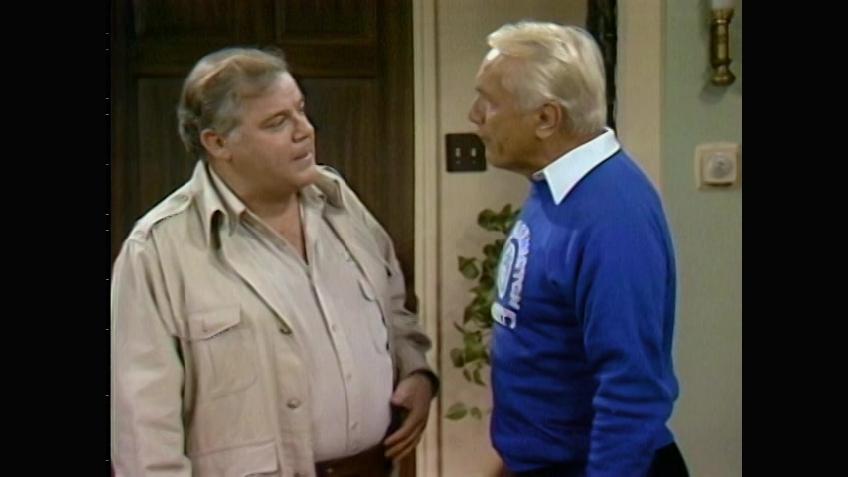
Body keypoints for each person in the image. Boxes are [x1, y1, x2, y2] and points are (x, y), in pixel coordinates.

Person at [111, 46, 437, 477]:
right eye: (277, 122)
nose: (305, 130)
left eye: (300, 110)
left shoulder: (338, 202)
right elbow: (144, 436)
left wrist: (416, 372)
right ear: (218, 142)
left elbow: (393, 309)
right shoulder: (158, 250)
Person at [467, 22, 688, 477]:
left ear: (546, 119)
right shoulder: (555, 191)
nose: (475, 116)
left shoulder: (612, 214)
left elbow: (631, 390)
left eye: (489, 102)